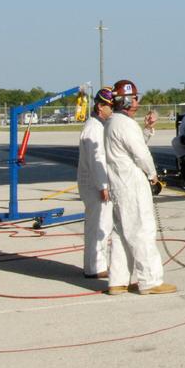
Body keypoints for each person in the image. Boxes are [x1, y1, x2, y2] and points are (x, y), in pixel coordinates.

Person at [103, 79, 175, 295]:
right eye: (134, 98)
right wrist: (153, 176)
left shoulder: (112, 123)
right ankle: (150, 281)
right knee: (142, 231)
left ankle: (117, 281)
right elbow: (141, 154)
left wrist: (148, 129)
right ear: (125, 100)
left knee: (121, 234)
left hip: (119, 185)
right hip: (132, 185)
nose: (137, 102)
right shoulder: (125, 124)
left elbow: (132, 146)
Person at [76, 87, 114, 279]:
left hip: (96, 182)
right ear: (100, 106)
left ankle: (96, 265)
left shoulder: (99, 126)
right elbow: (96, 158)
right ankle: (95, 267)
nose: (113, 110)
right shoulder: (93, 128)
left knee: (101, 225)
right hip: (94, 184)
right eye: (111, 106)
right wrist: (103, 185)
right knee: (99, 226)